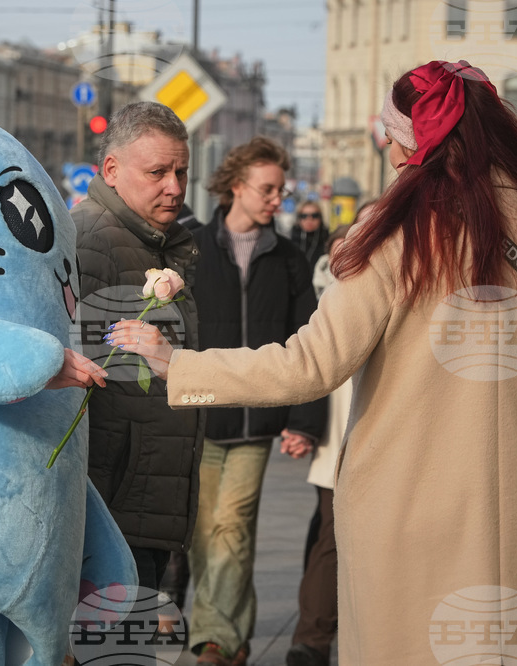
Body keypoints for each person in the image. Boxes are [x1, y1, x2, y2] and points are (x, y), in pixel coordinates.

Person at [105, 61, 517, 664]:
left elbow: (310, 366)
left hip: (403, 512)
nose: (389, 148)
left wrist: (181, 365)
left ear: (417, 143)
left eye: (394, 135)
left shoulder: (390, 235)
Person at [183, 136, 324, 666]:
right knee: (204, 532)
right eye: (268, 189)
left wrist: (304, 421)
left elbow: (310, 342)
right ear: (236, 186)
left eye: (281, 191)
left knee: (232, 526)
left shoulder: (287, 258)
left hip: (258, 418)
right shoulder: (189, 248)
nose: (277, 200)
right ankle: (235, 639)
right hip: (199, 411)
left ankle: (214, 640)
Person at [71, 101, 204, 593]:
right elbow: (76, 376)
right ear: (111, 169)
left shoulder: (169, 243)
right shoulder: (87, 240)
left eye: (181, 171)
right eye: (157, 172)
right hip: (109, 498)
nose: (174, 187)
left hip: (147, 487)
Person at [284, 221, 356, 666]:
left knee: (331, 536)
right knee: (331, 535)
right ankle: (312, 640)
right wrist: (304, 427)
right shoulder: (328, 300)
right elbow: (303, 364)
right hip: (337, 438)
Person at [290, 200, 328, 269]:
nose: (309, 219)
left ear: (320, 218)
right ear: (299, 218)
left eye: (314, 215)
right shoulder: (290, 241)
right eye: (304, 216)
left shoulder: (327, 241)